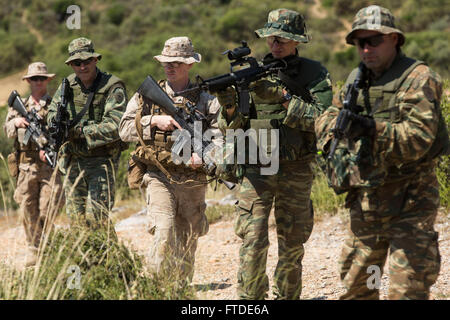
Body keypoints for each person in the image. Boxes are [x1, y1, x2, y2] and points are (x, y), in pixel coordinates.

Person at [315, 5, 449, 299]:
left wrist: (371, 128)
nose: (366, 49)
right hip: (367, 204)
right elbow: (327, 116)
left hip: (410, 204)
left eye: (374, 40)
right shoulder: (356, 80)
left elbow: (417, 140)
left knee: (406, 291)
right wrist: (334, 131)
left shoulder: (419, 78)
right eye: (360, 43)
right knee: (360, 288)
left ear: (394, 40)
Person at [216, 9, 333, 299]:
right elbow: (232, 126)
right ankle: (251, 299)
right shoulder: (250, 75)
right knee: (252, 238)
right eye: (271, 39)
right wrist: (229, 105)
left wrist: (281, 97)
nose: (275, 45)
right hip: (257, 165)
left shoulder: (313, 73)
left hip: (296, 168)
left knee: (292, 241)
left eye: (282, 39)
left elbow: (323, 119)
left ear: (297, 41)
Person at [119, 36, 220, 285]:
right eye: (167, 62)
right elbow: (122, 129)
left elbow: (220, 137)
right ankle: (154, 288)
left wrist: (206, 157)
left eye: (176, 62)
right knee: (164, 230)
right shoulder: (146, 96)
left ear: (189, 65)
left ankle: (180, 288)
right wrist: (152, 121)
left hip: (192, 177)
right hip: (158, 173)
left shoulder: (206, 100)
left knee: (187, 236)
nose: (170, 66)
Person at [47, 37, 127, 227]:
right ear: (71, 65)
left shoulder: (111, 86)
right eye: (77, 63)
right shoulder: (67, 85)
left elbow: (116, 126)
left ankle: (109, 257)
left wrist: (80, 131)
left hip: (102, 162)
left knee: (97, 219)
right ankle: (85, 257)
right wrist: (56, 124)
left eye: (87, 61)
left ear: (95, 60)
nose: (82, 67)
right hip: (73, 161)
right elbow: (52, 112)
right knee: (77, 222)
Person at [4, 62, 64, 265]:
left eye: (41, 78)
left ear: (47, 80)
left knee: (48, 209)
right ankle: (34, 249)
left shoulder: (56, 105)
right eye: (34, 79)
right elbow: (7, 130)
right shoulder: (19, 106)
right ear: (28, 81)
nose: (38, 82)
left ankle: (48, 244)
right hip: (26, 167)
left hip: (48, 166)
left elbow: (63, 133)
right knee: (27, 209)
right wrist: (17, 122)